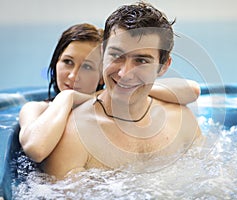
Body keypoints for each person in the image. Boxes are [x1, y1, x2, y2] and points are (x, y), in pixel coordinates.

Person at [19, 2, 202, 179]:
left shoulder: (182, 119)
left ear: (163, 66)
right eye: (116, 56)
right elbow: (37, 149)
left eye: (141, 61)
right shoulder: (72, 136)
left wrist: (138, 87)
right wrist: (67, 97)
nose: (124, 73)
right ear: (103, 54)